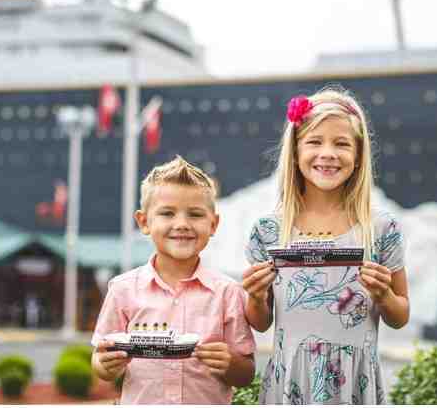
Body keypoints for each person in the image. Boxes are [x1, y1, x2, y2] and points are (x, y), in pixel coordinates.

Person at [242, 87, 409, 404]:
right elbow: (260, 323)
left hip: (354, 382)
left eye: (342, 143)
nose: (328, 153)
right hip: (289, 379)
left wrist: (384, 295)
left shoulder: (381, 228)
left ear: (358, 156)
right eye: (315, 141)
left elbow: (400, 317)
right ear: (295, 152)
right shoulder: (268, 230)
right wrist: (254, 295)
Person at [91, 156, 256, 404]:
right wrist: (105, 365)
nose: (182, 224)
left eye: (195, 214)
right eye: (167, 213)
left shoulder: (228, 293)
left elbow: (246, 372)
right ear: (144, 222)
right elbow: (100, 358)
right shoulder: (122, 289)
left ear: (213, 224)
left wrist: (231, 364)